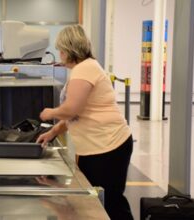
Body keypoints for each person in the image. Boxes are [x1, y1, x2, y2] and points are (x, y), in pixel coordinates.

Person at [36, 25, 133, 220]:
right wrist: (53, 131)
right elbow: (77, 115)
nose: (60, 54)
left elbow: (72, 109)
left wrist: (49, 113)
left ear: (69, 49)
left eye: (61, 49)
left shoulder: (84, 69)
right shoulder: (85, 68)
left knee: (111, 203)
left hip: (108, 147)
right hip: (97, 147)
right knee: (97, 200)